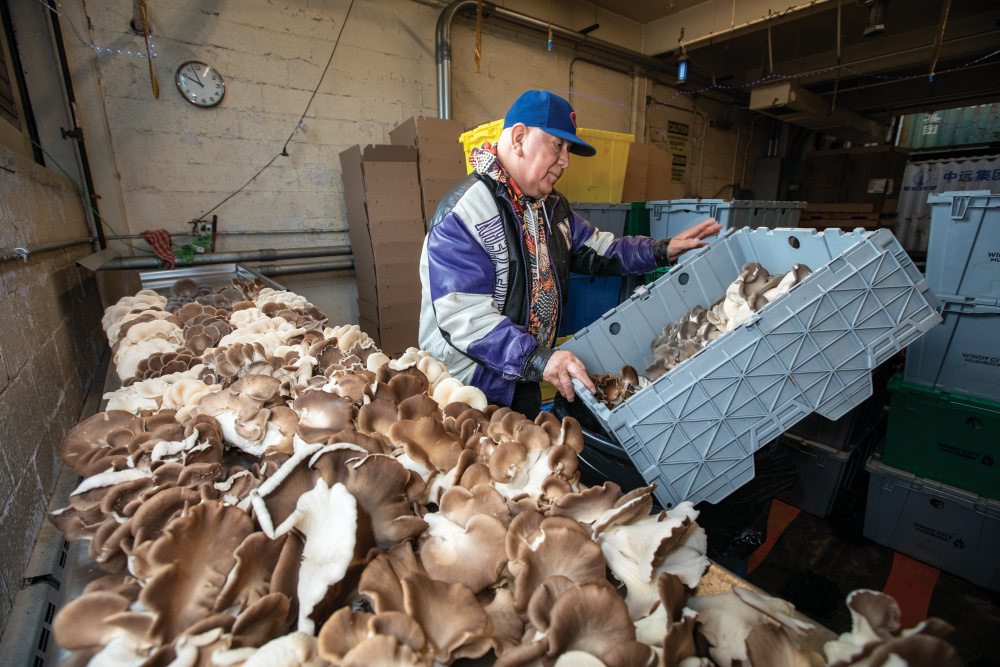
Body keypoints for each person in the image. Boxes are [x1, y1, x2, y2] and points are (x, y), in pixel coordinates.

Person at [418, 90, 720, 418]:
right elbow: (464, 318)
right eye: (557, 145)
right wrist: (537, 359)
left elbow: (603, 250)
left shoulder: (550, 207)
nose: (566, 160)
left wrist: (662, 250)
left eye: (568, 149)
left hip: (524, 370)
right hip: (468, 385)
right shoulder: (466, 213)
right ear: (519, 138)